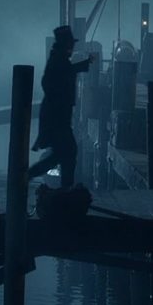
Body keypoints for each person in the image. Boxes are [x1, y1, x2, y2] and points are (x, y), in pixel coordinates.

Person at [29, 26, 92, 188]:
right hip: (57, 117)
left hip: (58, 116)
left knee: (61, 154)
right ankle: (63, 188)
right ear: (66, 44)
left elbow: (66, 72)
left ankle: (62, 187)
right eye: (70, 44)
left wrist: (84, 64)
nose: (72, 47)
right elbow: (54, 80)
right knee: (68, 152)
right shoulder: (58, 60)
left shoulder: (59, 59)